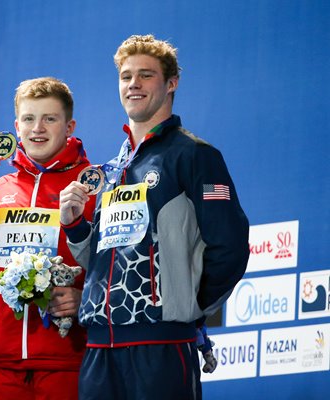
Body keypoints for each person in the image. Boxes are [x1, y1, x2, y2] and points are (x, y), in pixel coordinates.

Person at [59, 34, 249, 400]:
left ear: (171, 83)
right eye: (126, 76)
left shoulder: (194, 155)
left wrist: (187, 307)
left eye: (146, 75)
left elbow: (231, 247)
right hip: (99, 348)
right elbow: (101, 258)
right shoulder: (111, 169)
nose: (133, 84)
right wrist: (75, 225)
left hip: (160, 345)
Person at [0, 77, 95, 400]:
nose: (37, 128)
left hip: (68, 360)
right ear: (16, 126)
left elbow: (117, 270)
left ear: (70, 126)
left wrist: (86, 299)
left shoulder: (94, 187)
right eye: (29, 119)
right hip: (0, 364)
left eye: (50, 119)